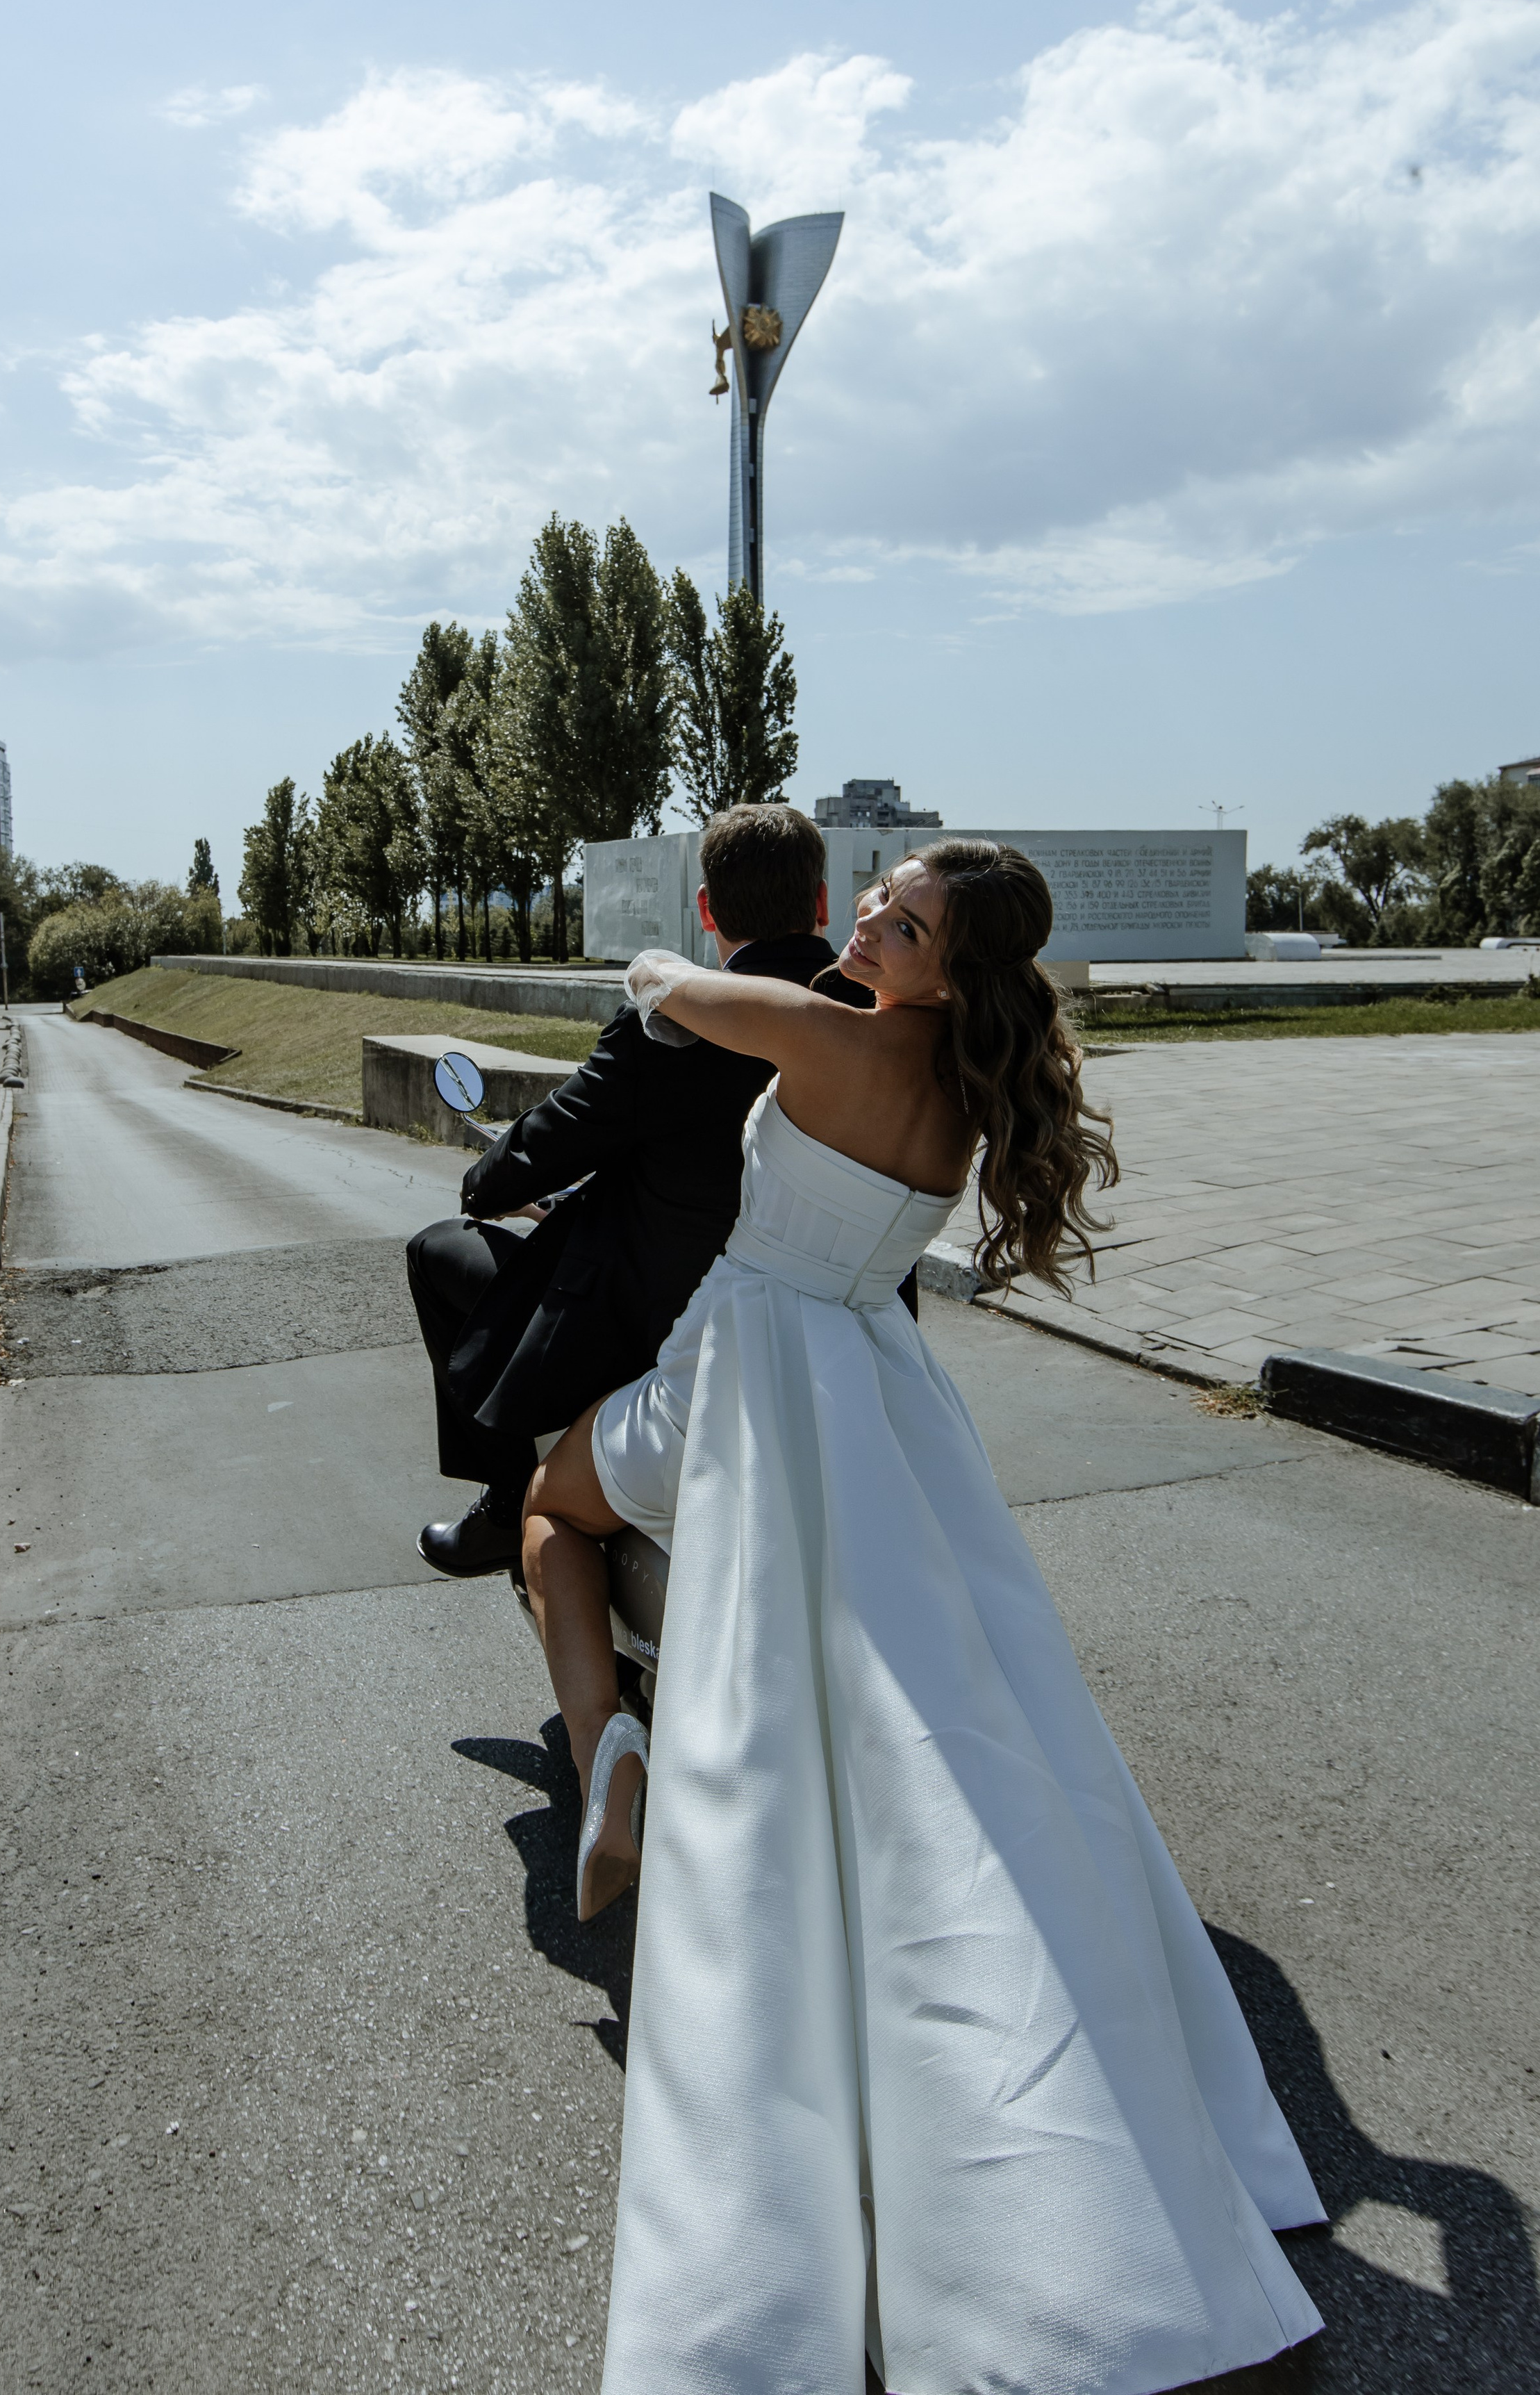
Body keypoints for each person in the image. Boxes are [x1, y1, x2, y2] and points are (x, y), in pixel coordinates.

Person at [523, 840, 1325, 2395]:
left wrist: (739, 979)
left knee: (553, 1506)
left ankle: (602, 1747)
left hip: (736, 1374)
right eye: (876, 902)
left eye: (902, 922)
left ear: (947, 966)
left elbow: (657, 987)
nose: (871, 925)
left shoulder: (821, 1030)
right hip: (875, 1393)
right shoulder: (970, 1086)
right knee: (957, 1722)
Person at [408, 805, 872, 1579]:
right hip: (843, 1333)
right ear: (822, 903)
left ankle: (505, 1501)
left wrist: (485, 1182)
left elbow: (539, 1150)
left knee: (435, 1252)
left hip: (668, 1330)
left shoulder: (672, 1028)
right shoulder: (879, 1021)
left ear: (705, 910)